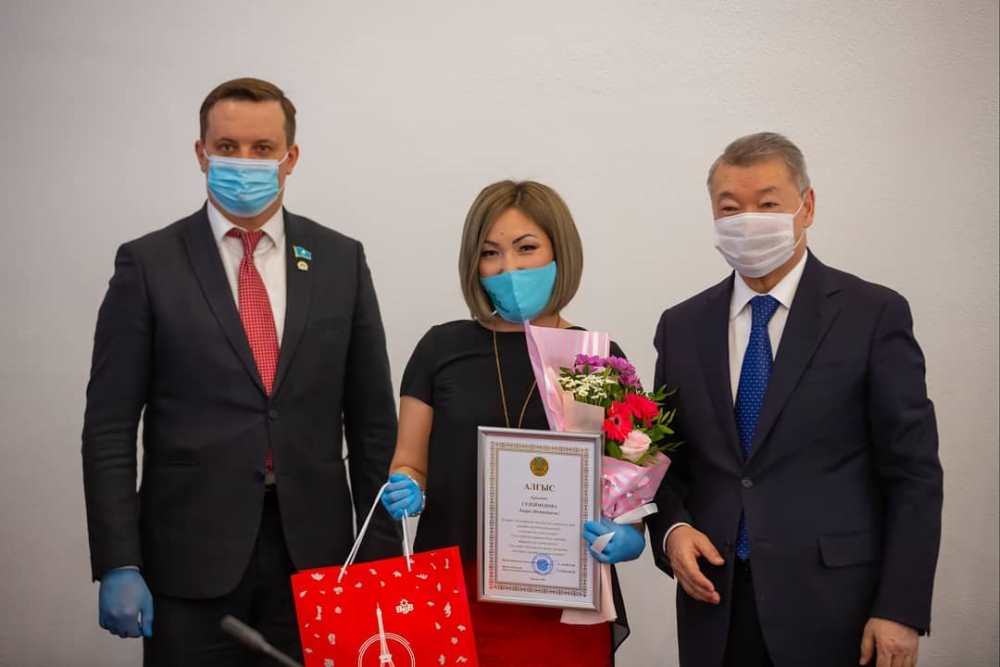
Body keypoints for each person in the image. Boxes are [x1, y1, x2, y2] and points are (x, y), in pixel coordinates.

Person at [81, 77, 399, 665]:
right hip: (188, 561)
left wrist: (378, 555)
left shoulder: (341, 260)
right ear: (201, 153)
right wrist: (119, 560)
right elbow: (109, 427)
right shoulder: (149, 264)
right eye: (227, 147)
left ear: (290, 157)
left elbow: (374, 423)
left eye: (262, 148)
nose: (244, 162)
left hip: (317, 558)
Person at [646, 132, 943, 667]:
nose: (747, 221)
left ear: (807, 206)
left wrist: (900, 607)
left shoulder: (872, 314)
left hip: (837, 608)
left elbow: (913, 472)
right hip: (715, 603)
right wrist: (672, 530)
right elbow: (661, 457)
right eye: (730, 208)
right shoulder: (681, 325)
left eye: (767, 204)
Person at [380, 180, 644, 666]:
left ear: (559, 251)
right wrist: (407, 485)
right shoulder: (441, 349)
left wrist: (630, 534)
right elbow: (409, 461)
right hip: (455, 594)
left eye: (526, 248)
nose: (509, 268)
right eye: (490, 253)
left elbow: (629, 484)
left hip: (564, 600)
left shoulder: (595, 358)